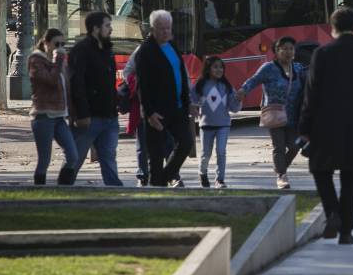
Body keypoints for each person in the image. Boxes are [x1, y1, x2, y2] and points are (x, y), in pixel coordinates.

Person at [299, 7, 353, 244]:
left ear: (332, 28)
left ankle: (332, 213)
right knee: (351, 177)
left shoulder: (322, 53)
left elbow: (311, 93)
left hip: (325, 124)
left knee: (321, 171)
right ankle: (347, 232)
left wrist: (304, 126)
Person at [135, 10, 195, 187]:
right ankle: (157, 186)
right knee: (155, 154)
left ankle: (163, 178)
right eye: (161, 29)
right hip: (157, 111)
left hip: (177, 107)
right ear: (153, 29)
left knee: (186, 143)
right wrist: (150, 112)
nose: (166, 32)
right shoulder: (146, 51)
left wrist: (188, 102)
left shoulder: (172, 46)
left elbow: (181, 76)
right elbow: (143, 86)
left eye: (168, 28)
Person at [239, 36, 306, 189]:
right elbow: (253, 80)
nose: (288, 52)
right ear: (276, 51)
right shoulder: (268, 68)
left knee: (295, 146)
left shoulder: (298, 68)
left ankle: (280, 168)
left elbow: (311, 81)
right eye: (284, 49)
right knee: (279, 147)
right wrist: (243, 90)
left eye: (291, 49)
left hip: (293, 115)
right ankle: (281, 176)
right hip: (275, 114)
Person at [69, 11, 123, 186]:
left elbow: (109, 84)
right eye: (107, 25)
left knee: (108, 156)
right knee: (75, 157)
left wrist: (116, 105)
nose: (111, 29)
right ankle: (63, 186)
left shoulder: (107, 50)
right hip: (89, 118)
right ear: (95, 28)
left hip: (109, 116)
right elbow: (77, 84)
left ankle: (115, 190)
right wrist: (81, 114)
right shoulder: (81, 50)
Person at [28, 28, 79, 186]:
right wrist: (58, 60)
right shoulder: (36, 60)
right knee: (45, 160)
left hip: (59, 117)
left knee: (72, 155)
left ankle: (62, 187)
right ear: (46, 43)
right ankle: (39, 191)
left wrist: (72, 113)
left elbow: (66, 88)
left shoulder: (60, 61)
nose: (60, 46)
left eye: (63, 43)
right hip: (43, 116)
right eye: (57, 43)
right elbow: (49, 80)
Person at [192, 56, 241, 189]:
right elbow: (191, 100)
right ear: (208, 69)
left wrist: (239, 99)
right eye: (215, 67)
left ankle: (220, 180)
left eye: (221, 67)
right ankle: (202, 173)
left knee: (221, 151)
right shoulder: (201, 85)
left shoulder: (227, 86)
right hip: (206, 125)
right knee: (205, 154)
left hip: (223, 124)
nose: (219, 69)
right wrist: (193, 109)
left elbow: (234, 107)